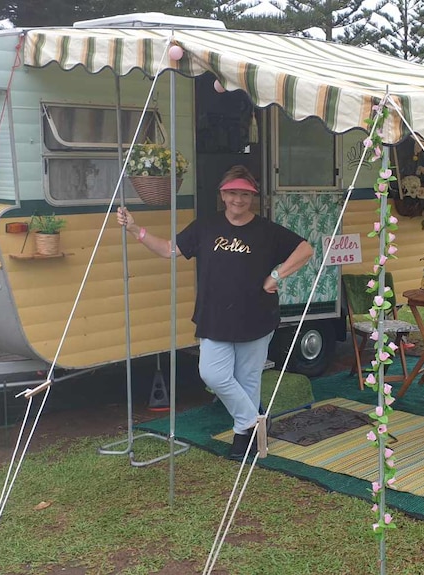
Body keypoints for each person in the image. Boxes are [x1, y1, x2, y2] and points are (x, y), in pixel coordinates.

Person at [117, 165, 314, 461]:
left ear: (253, 197)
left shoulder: (266, 230)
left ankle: (243, 436)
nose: (239, 199)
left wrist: (276, 275)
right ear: (223, 194)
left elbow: (305, 250)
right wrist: (135, 229)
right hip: (214, 316)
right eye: (233, 193)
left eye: (245, 194)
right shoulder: (205, 227)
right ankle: (253, 420)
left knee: (248, 379)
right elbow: (169, 249)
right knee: (213, 374)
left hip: (256, 315)